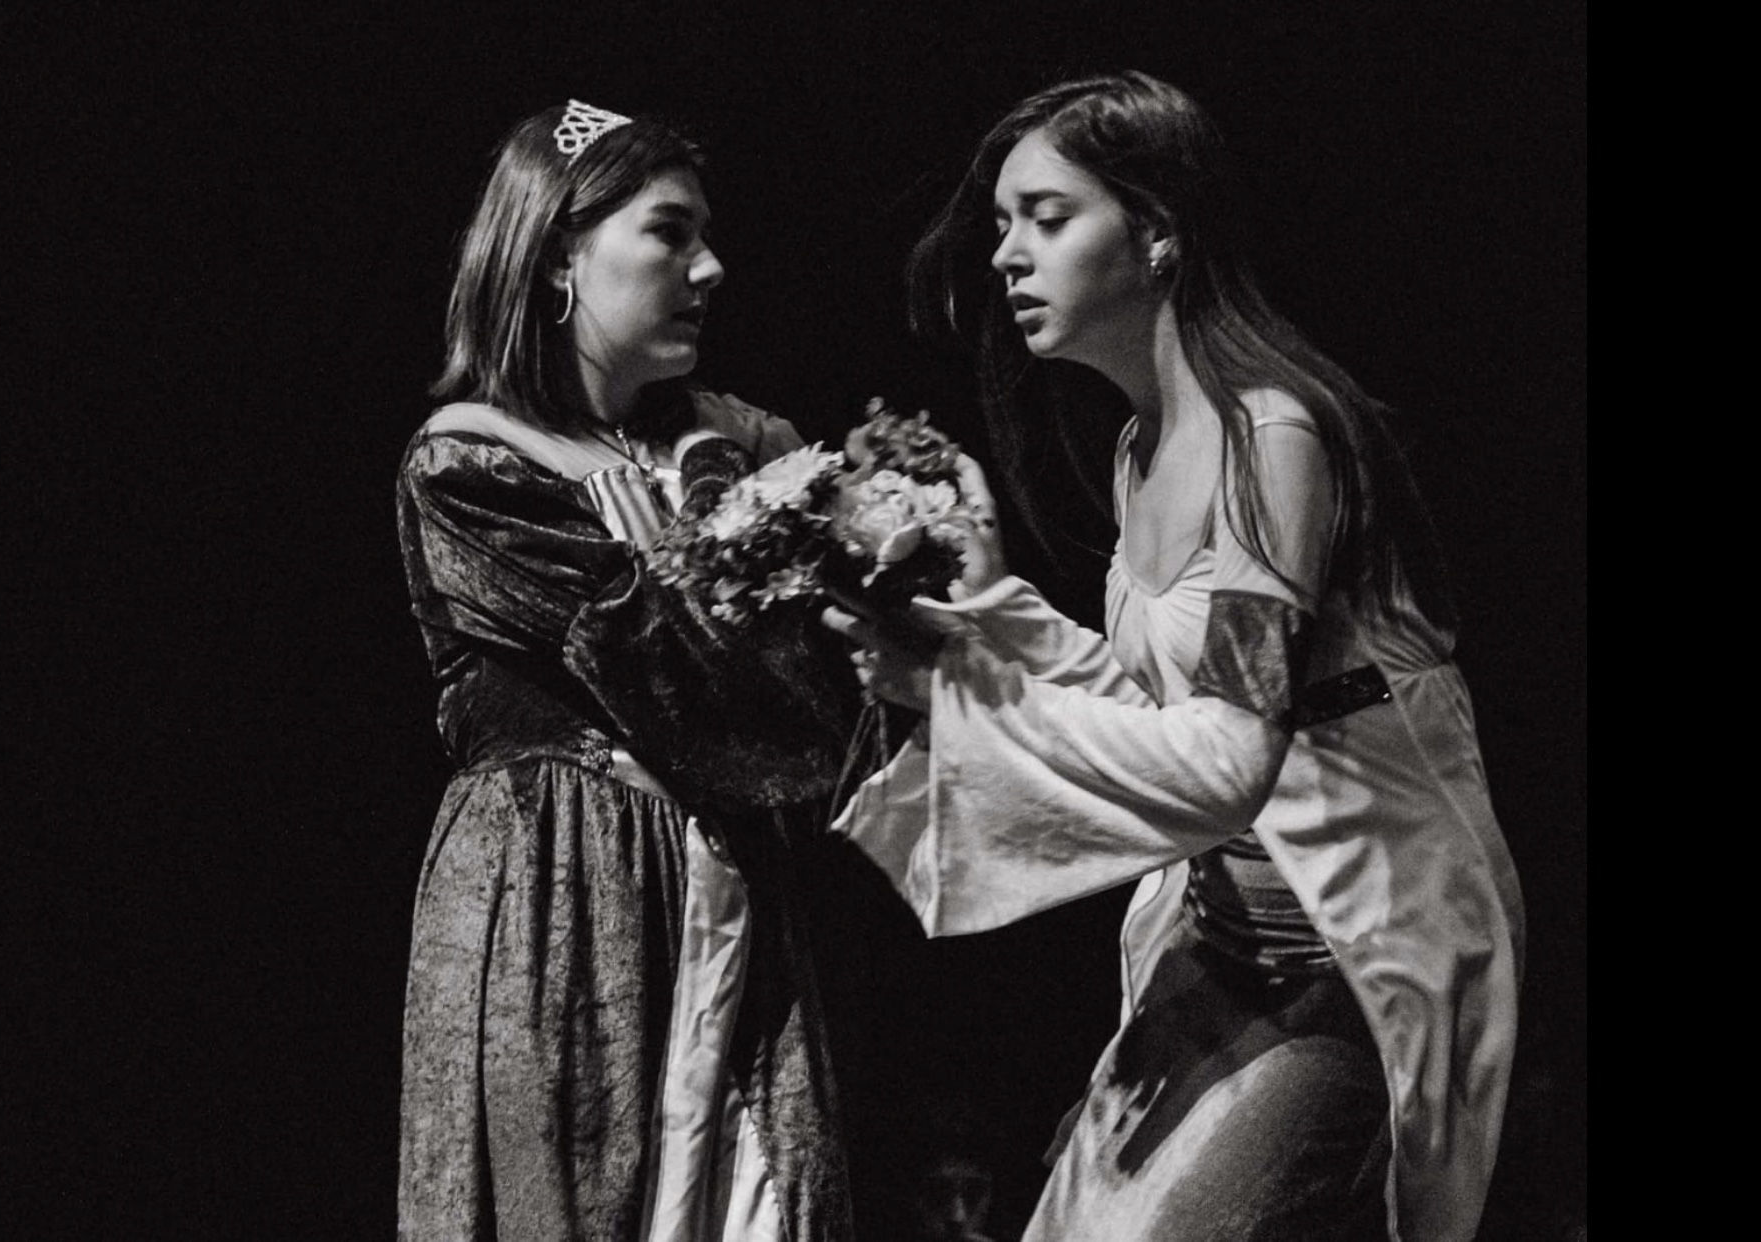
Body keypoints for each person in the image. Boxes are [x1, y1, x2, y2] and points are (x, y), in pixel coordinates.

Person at [827, 71, 1524, 1241]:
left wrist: (962, 694)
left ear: (1157, 233)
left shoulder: (1274, 442)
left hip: (1346, 959)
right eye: (1003, 223)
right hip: (1220, 943)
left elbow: (1227, 760)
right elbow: (1159, 711)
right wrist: (979, 626)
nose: (1007, 255)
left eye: (1048, 218)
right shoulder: (1142, 449)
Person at [395, 99, 861, 1241]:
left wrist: (717, 505)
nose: (710, 266)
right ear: (561, 252)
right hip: (563, 897)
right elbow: (699, 690)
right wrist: (708, 514)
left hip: (732, 897)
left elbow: (822, 723)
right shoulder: (469, 466)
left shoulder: (726, 442)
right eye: (668, 231)